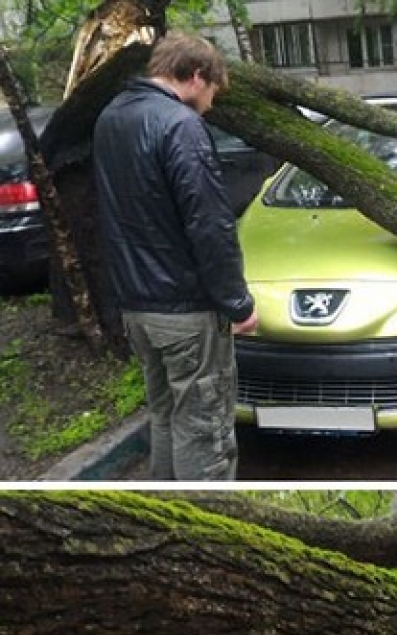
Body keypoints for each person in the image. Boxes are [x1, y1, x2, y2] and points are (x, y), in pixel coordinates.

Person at [93, 32, 257, 481]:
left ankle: (166, 503)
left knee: (165, 417)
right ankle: (208, 522)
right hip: (185, 309)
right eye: (211, 92)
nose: (210, 104)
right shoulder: (180, 126)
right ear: (197, 76)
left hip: (137, 307)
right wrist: (238, 303)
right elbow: (209, 224)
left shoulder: (111, 117)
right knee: (204, 432)